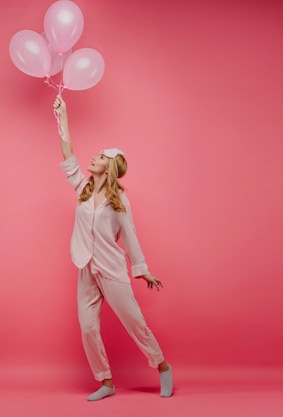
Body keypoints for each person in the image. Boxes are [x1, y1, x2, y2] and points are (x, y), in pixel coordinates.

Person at [53, 95, 173, 401]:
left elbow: (130, 237)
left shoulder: (120, 203)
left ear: (109, 168)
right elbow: (68, 152)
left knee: (136, 324)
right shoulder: (82, 188)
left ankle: (162, 366)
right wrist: (62, 116)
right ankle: (106, 381)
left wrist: (142, 270)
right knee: (87, 327)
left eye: (99, 157)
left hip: (113, 269)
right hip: (86, 267)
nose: (92, 159)